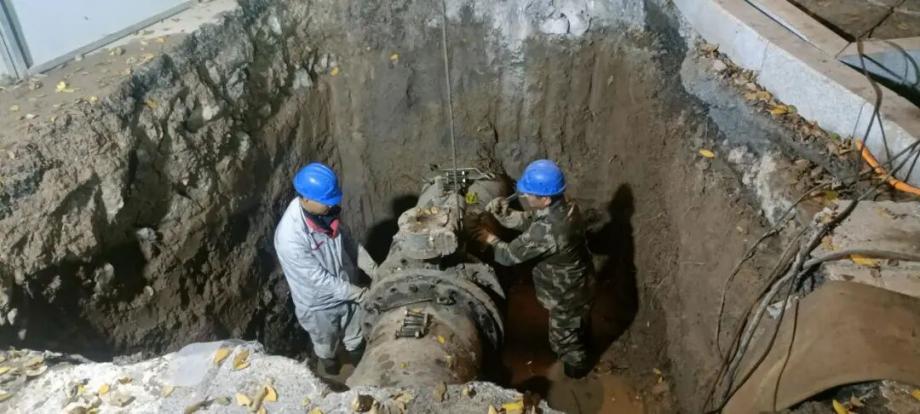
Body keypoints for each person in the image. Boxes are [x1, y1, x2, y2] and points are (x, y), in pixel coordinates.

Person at [474, 159, 595, 378]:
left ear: (546, 198)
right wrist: (507, 215)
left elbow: (507, 256)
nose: (526, 197)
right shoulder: (566, 204)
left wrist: (489, 238)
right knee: (577, 321)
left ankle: (576, 369)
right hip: (580, 279)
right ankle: (580, 334)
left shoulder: (548, 232)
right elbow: (536, 221)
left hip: (565, 293)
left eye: (530, 194)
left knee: (563, 339)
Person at [274, 162, 376, 375]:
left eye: (333, 199)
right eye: (327, 201)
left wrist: (373, 268)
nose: (332, 205)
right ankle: (330, 371)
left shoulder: (325, 213)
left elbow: (348, 242)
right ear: (305, 198)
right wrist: (359, 294)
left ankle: (361, 373)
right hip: (319, 305)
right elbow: (319, 280)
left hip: (346, 289)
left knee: (356, 336)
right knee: (326, 344)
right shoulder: (290, 238)